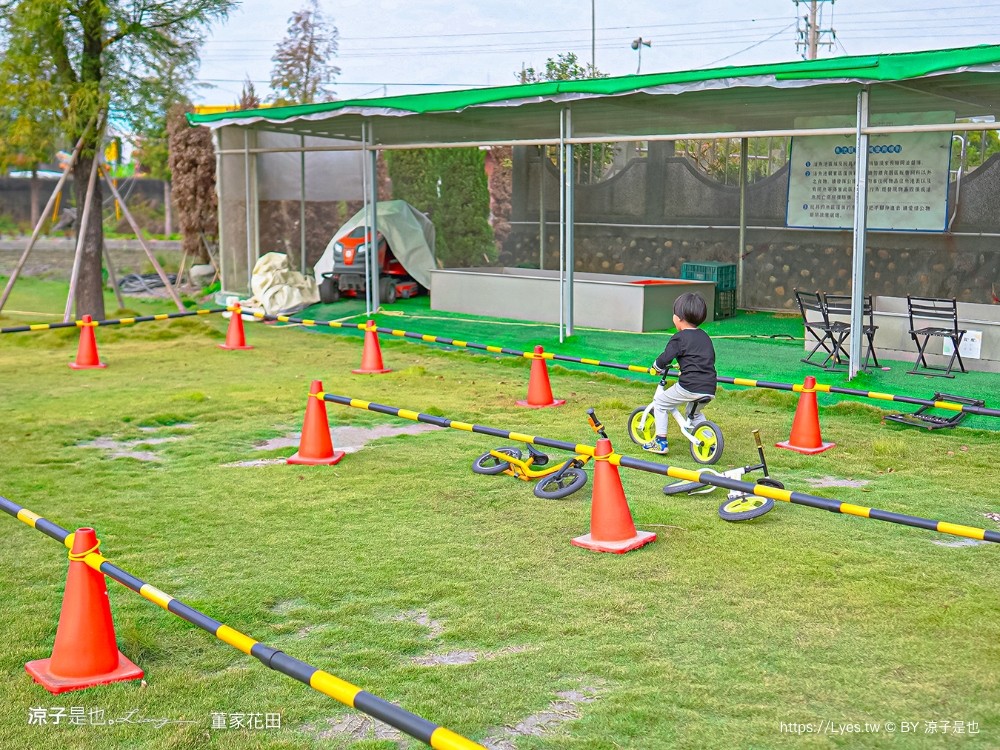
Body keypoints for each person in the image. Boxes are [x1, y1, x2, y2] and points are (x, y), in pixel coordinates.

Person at [643, 292, 717, 454]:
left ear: (679, 318)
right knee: (694, 413)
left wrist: (656, 367)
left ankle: (660, 441)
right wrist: (682, 364)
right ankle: (709, 440)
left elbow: (666, 357)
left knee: (661, 404)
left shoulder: (679, 338)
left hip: (689, 385)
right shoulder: (705, 337)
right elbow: (707, 357)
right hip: (709, 387)